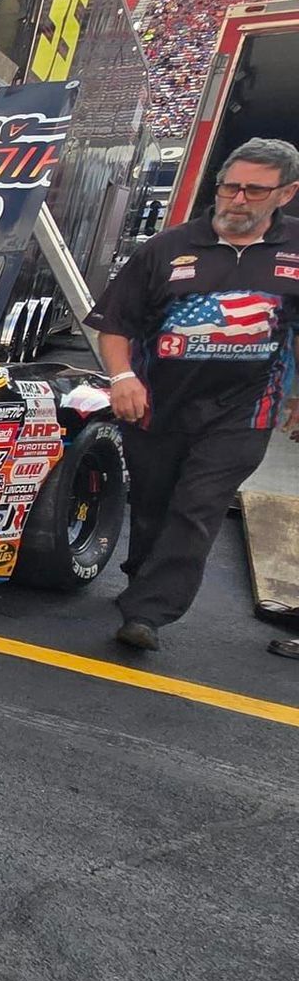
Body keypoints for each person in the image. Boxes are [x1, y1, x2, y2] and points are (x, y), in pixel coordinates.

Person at [85, 135, 299, 652]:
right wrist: (122, 378)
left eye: (254, 190)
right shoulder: (167, 248)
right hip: (158, 403)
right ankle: (144, 579)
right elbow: (115, 324)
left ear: (286, 194)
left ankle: (148, 613)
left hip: (245, 410)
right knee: (155, 503)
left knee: (199, 506)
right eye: (230, 187)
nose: (238, 200)